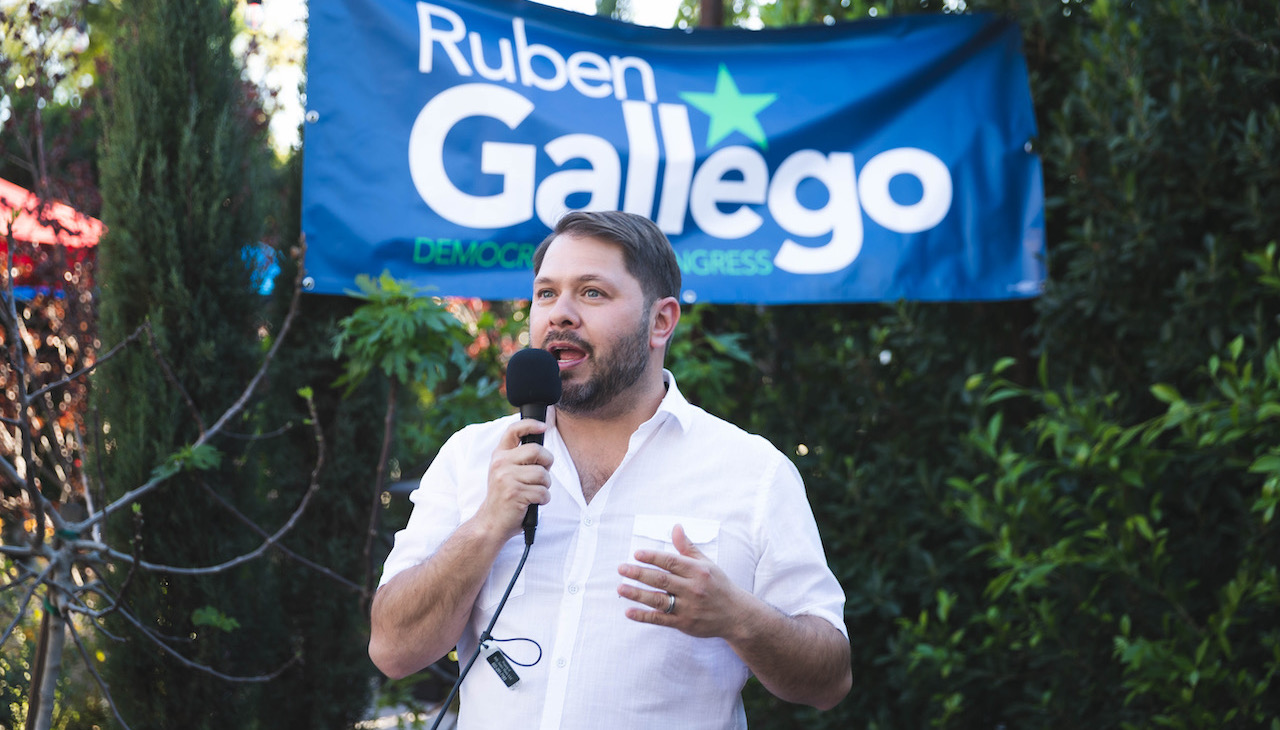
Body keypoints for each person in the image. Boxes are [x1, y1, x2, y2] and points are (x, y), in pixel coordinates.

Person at [369, 210, 851, 729]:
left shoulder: (752, 472)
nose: (560, 314)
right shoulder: (471, 456)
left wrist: (740, 618)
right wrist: (487, 525)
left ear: (660, 321)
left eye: (592, 293)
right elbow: (393, 650)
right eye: (546, 294)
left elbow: (829, 681)